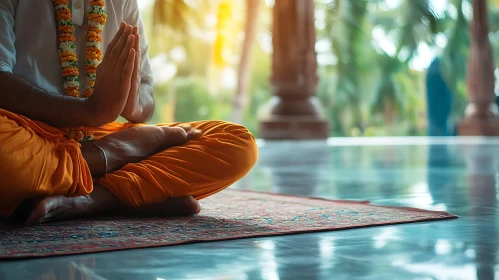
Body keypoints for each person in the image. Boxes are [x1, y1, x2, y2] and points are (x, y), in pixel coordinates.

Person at [0, 0, 258, 225]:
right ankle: (119, 165)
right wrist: (91, 111)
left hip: (95, 135)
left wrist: (130, 101)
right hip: (27, 134)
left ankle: (94, 199)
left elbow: (145, 94)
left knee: (236, 143)